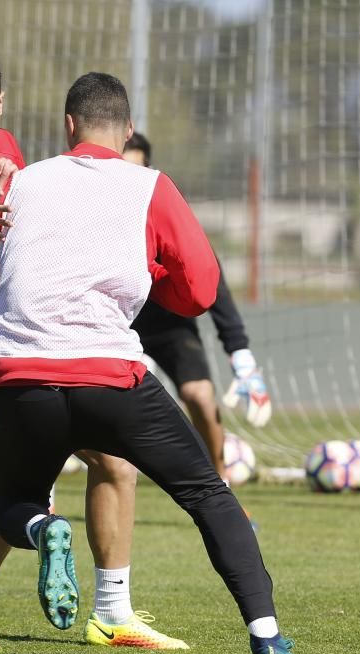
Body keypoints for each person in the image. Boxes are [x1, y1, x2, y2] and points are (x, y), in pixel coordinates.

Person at [0, 72, 305, 654]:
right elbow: (200, 289)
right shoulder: (151, 186)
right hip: (109, 377)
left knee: (12, 499)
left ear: (69, 126)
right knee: (208, 495)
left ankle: (44, 530)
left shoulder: (22, 181)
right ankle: (268, 638)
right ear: (129, 129)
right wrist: (156, 278)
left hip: (20, 375)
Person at [0, 44, 186, 654]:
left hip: (11, 344)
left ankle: (113, 613)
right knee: (23, 453)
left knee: (114, 463)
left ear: (1, 106)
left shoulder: (9, 150)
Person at [124, 132, 272, 482]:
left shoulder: (164, 212)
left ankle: (220, 485)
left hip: (169, 326)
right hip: (116, 324)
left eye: (136, 170)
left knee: (200, 395)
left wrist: (240, 354)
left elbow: (207, 275)